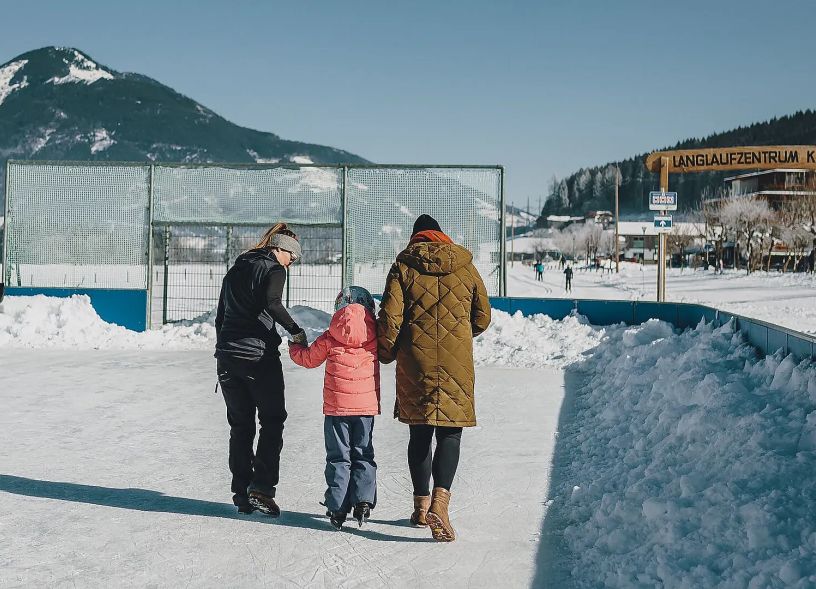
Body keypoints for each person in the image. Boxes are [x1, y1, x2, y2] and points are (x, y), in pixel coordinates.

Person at [377, 214, 491, 542]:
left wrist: (385, 352)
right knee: (450, 435)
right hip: (456, 363)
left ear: (415, 238)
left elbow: (391, 319)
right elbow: (482, 316)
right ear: (442, 236)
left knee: (420, 434)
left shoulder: (403, 266)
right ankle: (441, 504)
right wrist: (459, 333)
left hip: (416, 363)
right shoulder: (465, 265)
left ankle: (421, 505)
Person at [214, 223, 307, 516]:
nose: (292, 263)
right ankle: (262, 489)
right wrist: (296, 330)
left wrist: (226, 348)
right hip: (258, 357)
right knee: (273, 419)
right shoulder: (274, 269)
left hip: (227, 358)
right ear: (280, 249)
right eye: (291, 257)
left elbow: (220, 316)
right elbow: (273, 303)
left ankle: (241, 494)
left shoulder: (236, 269)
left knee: (240, 426)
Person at [289, 286, 380, 530]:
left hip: (336, 410)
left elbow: (308, 359)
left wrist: (295, 346)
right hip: (365, 408)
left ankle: (338, 506)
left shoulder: (331, 335)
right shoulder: (376, 334)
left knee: (339, 456)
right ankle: (362, 501)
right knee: (363, 453)